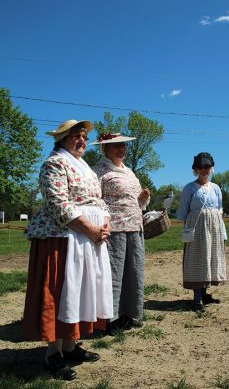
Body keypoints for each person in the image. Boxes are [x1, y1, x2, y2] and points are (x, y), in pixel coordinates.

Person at [23, 119, 113, 380]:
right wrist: (91, 229)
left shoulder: (85, 167)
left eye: (84, 136)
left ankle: (71, 347)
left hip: (88, 240)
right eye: (76, 136)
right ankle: (53, 354)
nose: (82, 140)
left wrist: (105, 223)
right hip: (63, 238)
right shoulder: (54, 164)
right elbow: (59, 204)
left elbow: (98, 200)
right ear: (61, 139)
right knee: (62, 291)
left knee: (81, 292)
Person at [92, 132, 150, 331]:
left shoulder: (129, 171)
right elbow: (94, 199)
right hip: (114, 228)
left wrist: (143, 198)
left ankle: (130, 313)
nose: (122, 149)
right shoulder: (98, 171)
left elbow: (137, 201)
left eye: (123, 145)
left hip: (135, 226)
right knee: (114, 274)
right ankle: (111, 318)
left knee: (133, 272)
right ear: (105, 149)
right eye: (116, 145)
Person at [177, 152, 227, 311]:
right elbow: (183, 212)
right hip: (197, 229)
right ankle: (197, 298)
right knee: (198, 260)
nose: (204, 170)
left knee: (210, 259)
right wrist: (187, 231)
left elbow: (219, 209)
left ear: (212, 168)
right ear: (195, 169)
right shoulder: (189, 188)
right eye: (201, 167)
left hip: (214, 228)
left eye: (207, 166)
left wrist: (222, 232)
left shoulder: (216, 188)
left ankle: (205, 294)